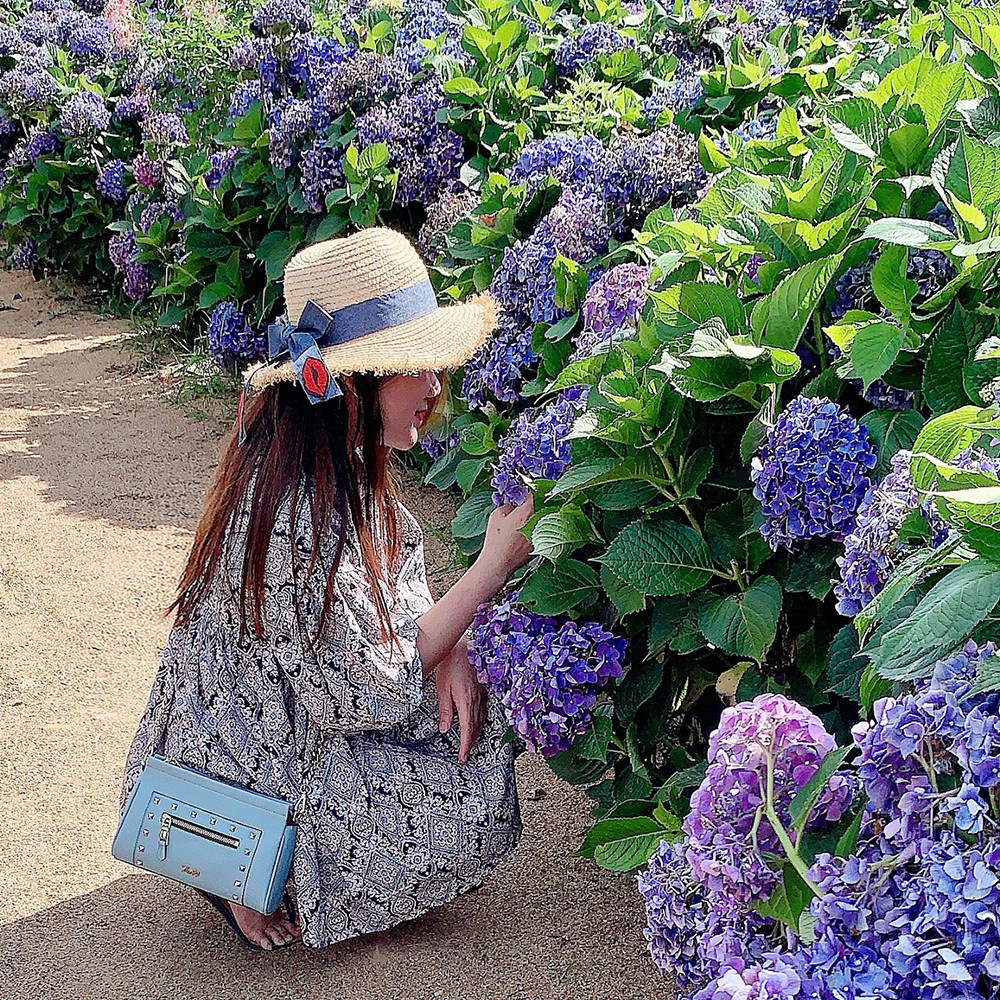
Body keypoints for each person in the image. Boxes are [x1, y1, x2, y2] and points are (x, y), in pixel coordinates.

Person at [117, 227, 534, 951]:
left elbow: (392, 606)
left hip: (269, 733)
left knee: (473, 719)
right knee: (471, 801)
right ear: (357, 382)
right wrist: (491, 568)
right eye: (417, 366)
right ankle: (247, 865)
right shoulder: (297, 512)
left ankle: (251, 856)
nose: (436, 387)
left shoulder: (313, 459)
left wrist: (457, 643)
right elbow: (368, 692)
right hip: (256, 768)